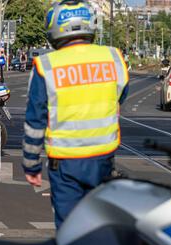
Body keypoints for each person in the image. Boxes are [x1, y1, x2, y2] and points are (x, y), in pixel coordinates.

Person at [22, 0, 129, 229]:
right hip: (103, 158)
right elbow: (120, 95)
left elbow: (35, 121)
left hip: (65, 163)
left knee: (69, 227)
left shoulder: (46, 65)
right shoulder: (113, 57)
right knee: (99, 223)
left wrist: (31, 164)